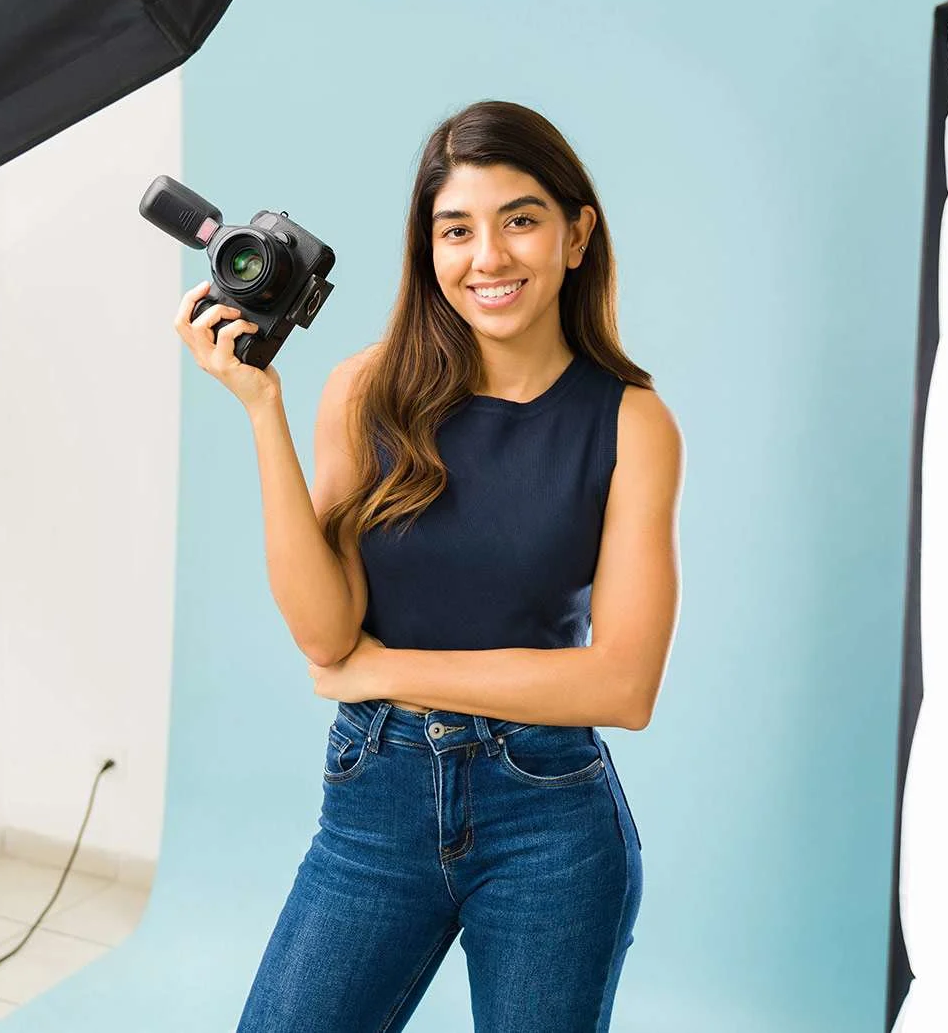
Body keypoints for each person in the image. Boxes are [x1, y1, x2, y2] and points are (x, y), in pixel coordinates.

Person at [173, 99, 683, 1032]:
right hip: (376, 797)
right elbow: (326, 632)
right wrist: (260, 409)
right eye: (457, 229)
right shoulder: (365, 392)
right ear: (429, 249)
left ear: (577, 235)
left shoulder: (631, 422)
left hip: (550, 820)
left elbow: (624, 684)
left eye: (519, 219)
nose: (487, 258)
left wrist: (382, 670)